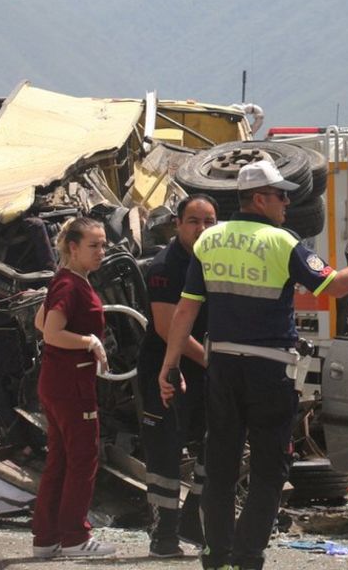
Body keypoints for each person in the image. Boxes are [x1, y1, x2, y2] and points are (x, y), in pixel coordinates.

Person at [158, 160, 348, 570]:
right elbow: (336, 285)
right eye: (281, 195)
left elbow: (186, 311)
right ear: (259, 199)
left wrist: (168, 365)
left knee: (221, 468)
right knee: (268, 470)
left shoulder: (210, 241)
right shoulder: (283, 241)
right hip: (270, 371)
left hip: (222, 368)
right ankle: (247, 558)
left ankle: (216, 558)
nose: (288, 201)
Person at [31, 217, 116, 558]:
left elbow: (40, 321)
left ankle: (46, 539)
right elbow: (51, 332)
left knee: (60, 461)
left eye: (104, 244)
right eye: (94, 245)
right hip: (71, 386)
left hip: (57, 383)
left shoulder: (66, 280)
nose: (101, 251)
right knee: (83, 459)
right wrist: (90, 341)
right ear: (73, 247)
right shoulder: (70, 285)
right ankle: (75, 539)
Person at [138, 194, 217, 558]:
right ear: (178, 224)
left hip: (203, 373)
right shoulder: (165, 266)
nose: (202, 229)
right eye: (194, 221)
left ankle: (191, 520)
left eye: (209, 221)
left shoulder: (214, 261)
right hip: (166, 371)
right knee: (165, 456)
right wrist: (213, 363)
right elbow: (169, 327)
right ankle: (164, 536)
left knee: (214, 446)